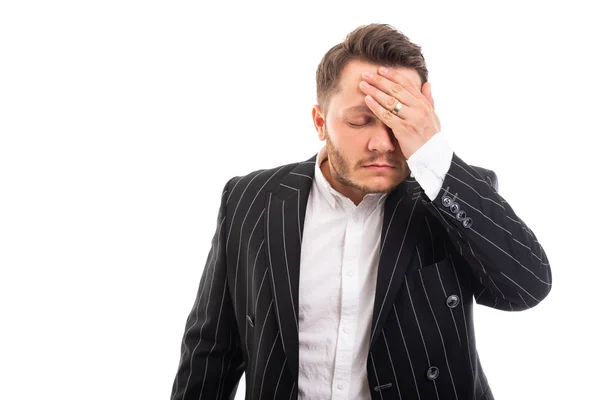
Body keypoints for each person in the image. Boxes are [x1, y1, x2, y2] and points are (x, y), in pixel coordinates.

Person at [169, 23, 552, 400]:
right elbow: (211, 348)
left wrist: (434, 154)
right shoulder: (251, 198)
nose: (382, 143)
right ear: (320, 122)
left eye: (398, 119)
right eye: (359, 120)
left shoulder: (448, 193)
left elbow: (525, 288)